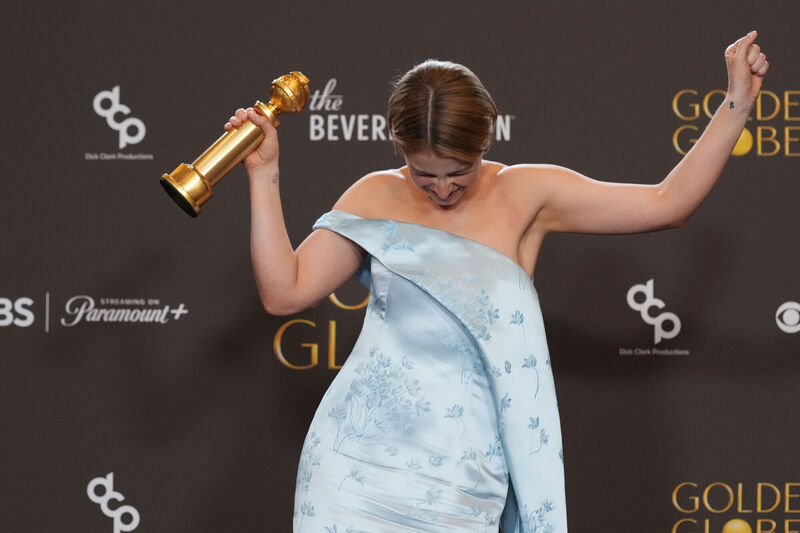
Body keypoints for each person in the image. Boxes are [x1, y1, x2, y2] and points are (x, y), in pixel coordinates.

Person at [225, 32, 769, 533]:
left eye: (459, 170)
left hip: (462, 481)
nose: (441, 189)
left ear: (487, 133)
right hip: (352, 468)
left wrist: (738, 101)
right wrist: (263, 174)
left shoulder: (529, 194)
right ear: (397, 146)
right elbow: (284, 291)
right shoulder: (372, 195)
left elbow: (667, 204)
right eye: (423, 174)